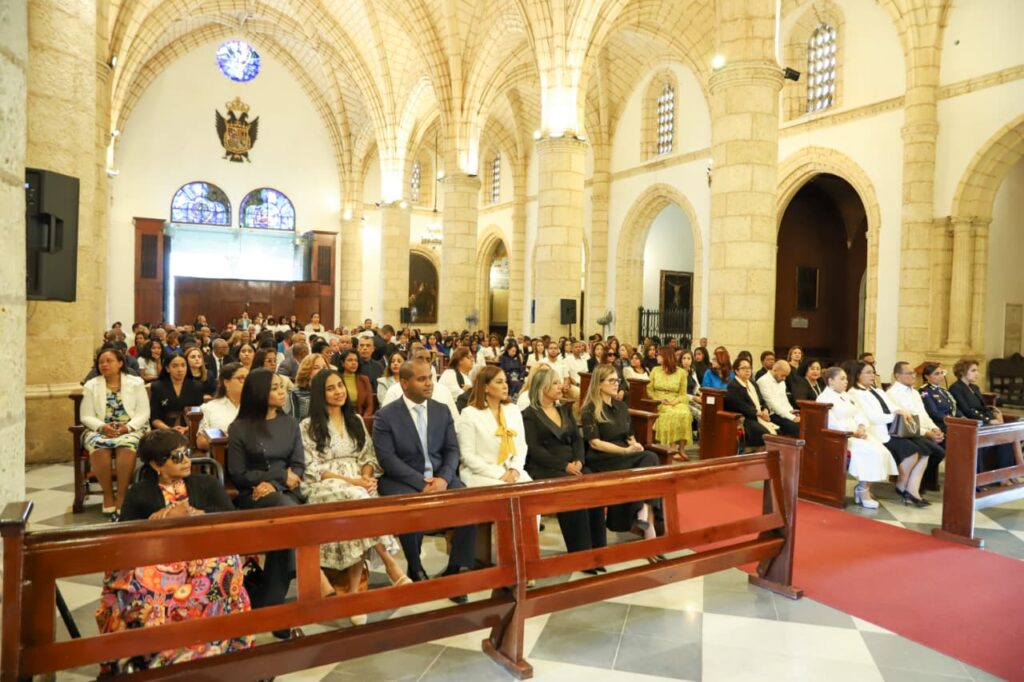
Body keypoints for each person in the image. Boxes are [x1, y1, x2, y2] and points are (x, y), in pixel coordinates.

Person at [96, 429, 253, 670]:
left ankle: (215, 649)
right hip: (159, 558)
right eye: (177, 457)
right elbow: (126, 534)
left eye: (187, 453)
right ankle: (160, 655)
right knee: (138, 582)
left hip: (203, 555)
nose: (187, 461)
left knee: (222, 570)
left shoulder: (206, 483)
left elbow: (231, 517)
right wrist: (160, 519)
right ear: (156, 464)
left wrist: (198, 515)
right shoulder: (140, 492)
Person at [300, 370, 411, 624]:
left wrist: (367, 476)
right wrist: (354, 482)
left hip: (358, 483)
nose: (338, 391)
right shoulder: (307, 426)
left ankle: (354, 595)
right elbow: (313, 467)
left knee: (360, 508)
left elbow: (368, 456)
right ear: (320, 393)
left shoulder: (356, 420)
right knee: (359, 500)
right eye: (331, 388)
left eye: (340, 385)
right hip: (325, 484)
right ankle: (390, 564)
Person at [372, 358, 477, 600]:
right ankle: (415, 567)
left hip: (441, 476)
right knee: (410, 503)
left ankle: (456, 571)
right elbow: (388, 459)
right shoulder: (386, 416)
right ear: (404, 383)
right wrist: (422, 483)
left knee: (469, 501)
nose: (429, 383)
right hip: (403, 478)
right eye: (422, 379)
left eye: (430, 377)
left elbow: (452, 450)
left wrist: (442, 479)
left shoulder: (441, 410)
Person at [226, 369, 306, 619]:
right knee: (289, 514)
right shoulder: (239, 428)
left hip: (287, 493)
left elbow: (299, 464)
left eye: (282, 387)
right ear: (259, 392)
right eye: (275, 388)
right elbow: (238, 474)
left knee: (284, 520)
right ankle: (313, 579)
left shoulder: (290, 423)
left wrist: (279, 482)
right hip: (254, 496)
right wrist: (277, 478)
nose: (282, 392)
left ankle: (270, 608)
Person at [522, 366, 607, 563]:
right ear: (543, 388)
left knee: (594, 486)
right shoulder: (530, 414)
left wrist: (579, 459)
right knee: (574, 493)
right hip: (546, 467)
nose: (562, 386)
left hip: (573, 464)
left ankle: (599, 551)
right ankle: (581, 555)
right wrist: (564, 466)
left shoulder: (564, 410)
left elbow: (578, 440)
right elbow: (534, 450)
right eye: (556, 383)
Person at [581, 365, 664, 540]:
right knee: (651, 458)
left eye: (617, 380)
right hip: (602, 458)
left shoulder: (621, 406)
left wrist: (635, 445)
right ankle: (645, 519)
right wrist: (626, 452)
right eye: (611, 380)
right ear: (599, 384)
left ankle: (645, 514)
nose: (616, 384)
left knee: (650, 458)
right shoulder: (590, 408)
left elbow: (629, 435)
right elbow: (595, 443)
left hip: (623, 453)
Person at [846, 360, 930, 506]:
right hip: (877, 432)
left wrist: (900, 411)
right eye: (868, 372)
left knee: (925, 450)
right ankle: (902, 485)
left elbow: (892, 406)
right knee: (911, 453)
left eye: (873, 372)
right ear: (858, 375)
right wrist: (894, 415)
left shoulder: (876, 390)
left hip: (893, 429)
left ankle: (911, 489)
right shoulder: (854, 393)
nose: (872, 375)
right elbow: (870, 416)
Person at [81, 348, 150, 519]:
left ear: (120, 363)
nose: (104, 364)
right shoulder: (92, 385)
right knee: (99, 446)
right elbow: (85, 415)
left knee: (126, 445)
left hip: (130, 428)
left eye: (109, 361)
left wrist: (127, 427)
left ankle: (122, 494)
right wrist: (102, 427)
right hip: (100, 428)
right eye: (101, 362)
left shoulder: (136, 382)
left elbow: (144, 413)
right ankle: (108, 494)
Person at [817, 366, 897, 509]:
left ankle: (864, 487)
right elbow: (830, 422)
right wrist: (853, 433)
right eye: (841, 379)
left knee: (881, 450)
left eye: (846, 378)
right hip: (842, 437)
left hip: (858, 433)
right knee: (870, 452)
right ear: (830, 381)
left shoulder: (846, 395)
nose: (846, 382)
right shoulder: (824, 398)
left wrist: (861, 426)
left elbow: (860, 413)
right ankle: (863, 490)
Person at [455, 366, 530, 488]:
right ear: (485, 387)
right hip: (481, 474)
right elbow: (467, 455)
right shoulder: (469, 414)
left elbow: (521, 446)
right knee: (503, 493)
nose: (505, 386)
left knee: (533, 493)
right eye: (499, 382)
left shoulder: (513, 410)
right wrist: (500, 474)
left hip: (513, 472)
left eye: (505, 381)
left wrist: (515, 469)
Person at [948, 358, 1017, 476]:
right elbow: (967, 410)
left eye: (977, 370)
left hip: (984, 422)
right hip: (973, 424)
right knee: (1003, 437)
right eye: (973, 371)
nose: (977, 374)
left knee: (1007, 438)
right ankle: (1002, 478)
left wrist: (995, 420)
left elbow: (984, 408)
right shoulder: (956, 388)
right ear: (963, 372)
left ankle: (1007, 475)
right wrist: (988, 421)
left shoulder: (975, 388)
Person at [886, 361, 946, 492]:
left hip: (918, 431)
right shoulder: (893, 393)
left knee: (938, 451)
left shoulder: (914, 392)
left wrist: (934, 428)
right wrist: (927, 433)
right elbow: (907, 422)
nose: (913, 376)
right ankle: (910, 483)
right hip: (905, 433)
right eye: (909, 373)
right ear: (898, 376)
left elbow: (924, 414)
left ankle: (916, 482)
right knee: (933, 451)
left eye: (913, 372)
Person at [646, 347, 692, 458]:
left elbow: (682, 394)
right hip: (659, 400)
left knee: (685, 413)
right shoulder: (655, 370)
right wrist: (657, 399)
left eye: (659, 355)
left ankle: (681, 449)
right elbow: (648, 389)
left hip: (675, 400)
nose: (657, 356)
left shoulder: (681, 372)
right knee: (671, 414)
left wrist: (674, 402)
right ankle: (672, 448)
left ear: (666, 357)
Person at [725, 358, 781, 447]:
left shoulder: (752, 383)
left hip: (759, 416)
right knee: (766, 434)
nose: (747, 370)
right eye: (744, 368)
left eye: (749, 368)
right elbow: (741, 406)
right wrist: (759, 413)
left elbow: (761, 400)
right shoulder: (733, 386)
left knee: (779, 431)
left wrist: (765, 409)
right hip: (746, 419)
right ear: (736, 371)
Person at [196, 362, 248, 451]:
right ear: (226, 382)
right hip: (223, 456)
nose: (246, 382)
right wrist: (221, 439)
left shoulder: (256, 406)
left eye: (248, 378)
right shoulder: (209, 407)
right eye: (241, 378)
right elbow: (201, 442)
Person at [149, 353, 205, 433]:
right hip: (164, 430)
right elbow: (155, 418)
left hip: (190, 429)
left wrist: (186, 429)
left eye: (183, 365)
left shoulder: (196, 386)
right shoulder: (158, 387)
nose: (180, 369)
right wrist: (170, 430)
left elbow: (200, 415)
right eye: (175, 366)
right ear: (167, 369)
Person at [756, 360, 801, 436]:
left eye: (786, 376)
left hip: (784, 413)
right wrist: (792, 418)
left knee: (806, 423)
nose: (784, 379)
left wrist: (793, 412)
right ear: (775, 370)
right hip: (772, 415)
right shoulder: (763, 381)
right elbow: (773, 405)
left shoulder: (781, 381)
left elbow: (784, 400)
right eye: (783, 375)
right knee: (797, 427)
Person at [335, 349, 374, 417]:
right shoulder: (336, 379)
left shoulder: (364, 379)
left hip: (360, 416)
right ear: (342, 363)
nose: (354, 363)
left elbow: (369, 404)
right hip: (340, 416)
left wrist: (363, 419)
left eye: (356, 360)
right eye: (350, 360)